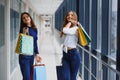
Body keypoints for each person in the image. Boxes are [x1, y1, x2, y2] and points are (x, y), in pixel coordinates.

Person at [19, 12, 41, 80]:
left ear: (30, 17)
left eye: (27, 16)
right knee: (27, 78)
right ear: (22, 21)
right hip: (24, 56)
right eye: (23, 18)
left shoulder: (34, 29)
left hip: (31, 56)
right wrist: (24, 33)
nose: (26, 18)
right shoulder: (24, 29)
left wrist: (36, 54)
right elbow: (22, 43)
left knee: (30, 77)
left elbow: (35, 43)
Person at [60, 11, 81, 80]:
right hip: (65, 54)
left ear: (75, 17)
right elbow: (64, 41)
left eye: (72, 15)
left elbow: (65, 30)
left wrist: (70, 22)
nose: (69, 16)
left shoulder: (76, 28)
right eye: (68, 15)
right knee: (65, 77)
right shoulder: (66, 27)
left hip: (74, 55)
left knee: (72, 78)